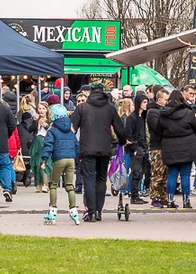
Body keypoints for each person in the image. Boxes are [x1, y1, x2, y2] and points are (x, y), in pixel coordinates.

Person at [70, 83, 126, 222]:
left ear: (90, 93)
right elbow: (119, 128)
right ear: (103, 92)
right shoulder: (110, 108)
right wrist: (123, 141)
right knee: (101, 179)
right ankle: (99, 211)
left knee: (88, 180)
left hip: (87, 148)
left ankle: (91, 212)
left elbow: (72, 128)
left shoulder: (82, 108)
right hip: (105, 149)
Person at [150, 89, 196, 209]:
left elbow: (159, 130)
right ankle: (186, 201)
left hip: (169, 147)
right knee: (185, 175)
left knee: (172, 174)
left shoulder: (163, 114)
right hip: (187, 146)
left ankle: (169, 200)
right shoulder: (188, 113)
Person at [40, 104, 80, 225]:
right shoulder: (70, 130)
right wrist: (77, 159)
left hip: (59, 159)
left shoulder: (52, 130)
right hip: (71, 159)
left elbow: (48, 145)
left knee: (53, 185)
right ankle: (74, 211)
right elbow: (77, 145)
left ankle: (52, 211)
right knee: (69, 185)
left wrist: (44, 159)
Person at [125, 92, 150, 205]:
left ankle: (138, 193)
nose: (146, 104)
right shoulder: (132, 118)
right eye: (144, 102)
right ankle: (134, 195)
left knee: (144, 170)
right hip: (136, 148)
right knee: (137, 172)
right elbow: (128, 135)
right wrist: (134, 148)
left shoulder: (142, 117)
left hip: (142, 146)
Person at [146, 88, 169, 208]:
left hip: (165, 146)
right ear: (159, 100)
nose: (168, 102)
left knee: (164, 174)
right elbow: (156, 128)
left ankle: (162, 196)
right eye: (166, 100)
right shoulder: (153, 112)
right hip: (157, 147)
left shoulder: (164, 111)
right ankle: (155, 196)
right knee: (157, 173)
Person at [30, 101, 49, 192]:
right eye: (40, 108)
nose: (41, 111)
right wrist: (34, 121)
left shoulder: (49, 119)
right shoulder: (36, 119)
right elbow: (30, 129)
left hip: (45, 142)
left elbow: (51, 130)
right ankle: (39, 184)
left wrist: (45, 125)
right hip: (36, 142)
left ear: (46, 109)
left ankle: (46, 184)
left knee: (45, 164)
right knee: (36, 164)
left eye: (43, 108)